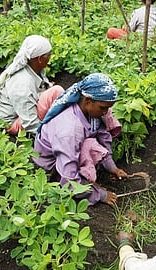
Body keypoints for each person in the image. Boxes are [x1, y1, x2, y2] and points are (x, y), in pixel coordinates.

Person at [33, 73, 128, 207]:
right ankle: (85, 183)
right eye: (103, 108)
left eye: (108, 108)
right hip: (51, 168)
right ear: (88, 101)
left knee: (90, 143)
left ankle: (88, 177)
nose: (106, 112)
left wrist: (112, 167)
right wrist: (99, 194)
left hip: (69, 152)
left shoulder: (91, 112)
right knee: (71, 179)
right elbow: (69, 179)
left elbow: (103, 137)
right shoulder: (69, 129)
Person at [0, 35, 64, 136]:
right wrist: (50, 137)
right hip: (13, 122)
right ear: (40, 59)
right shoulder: (22, 83)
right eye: (48, 55)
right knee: (56, 92)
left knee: (56, 93)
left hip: (21, 114)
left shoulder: (35, 68)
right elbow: (30, 122)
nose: (50, 58)